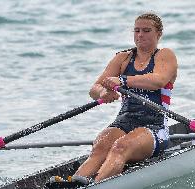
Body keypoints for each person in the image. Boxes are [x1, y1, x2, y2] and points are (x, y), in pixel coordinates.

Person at [74, 12, 178, 183]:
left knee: (120, 147)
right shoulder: (123, 58)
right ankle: (75, 182)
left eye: (146, 30)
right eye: (136, 30)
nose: (140, 35)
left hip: (154, 126)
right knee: (100, 146)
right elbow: (95, 88)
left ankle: (96, 184)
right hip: (124, 121)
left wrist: (122, 80)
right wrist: (103, 93)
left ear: (158, 34)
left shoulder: (164, 55)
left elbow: (157, 81)